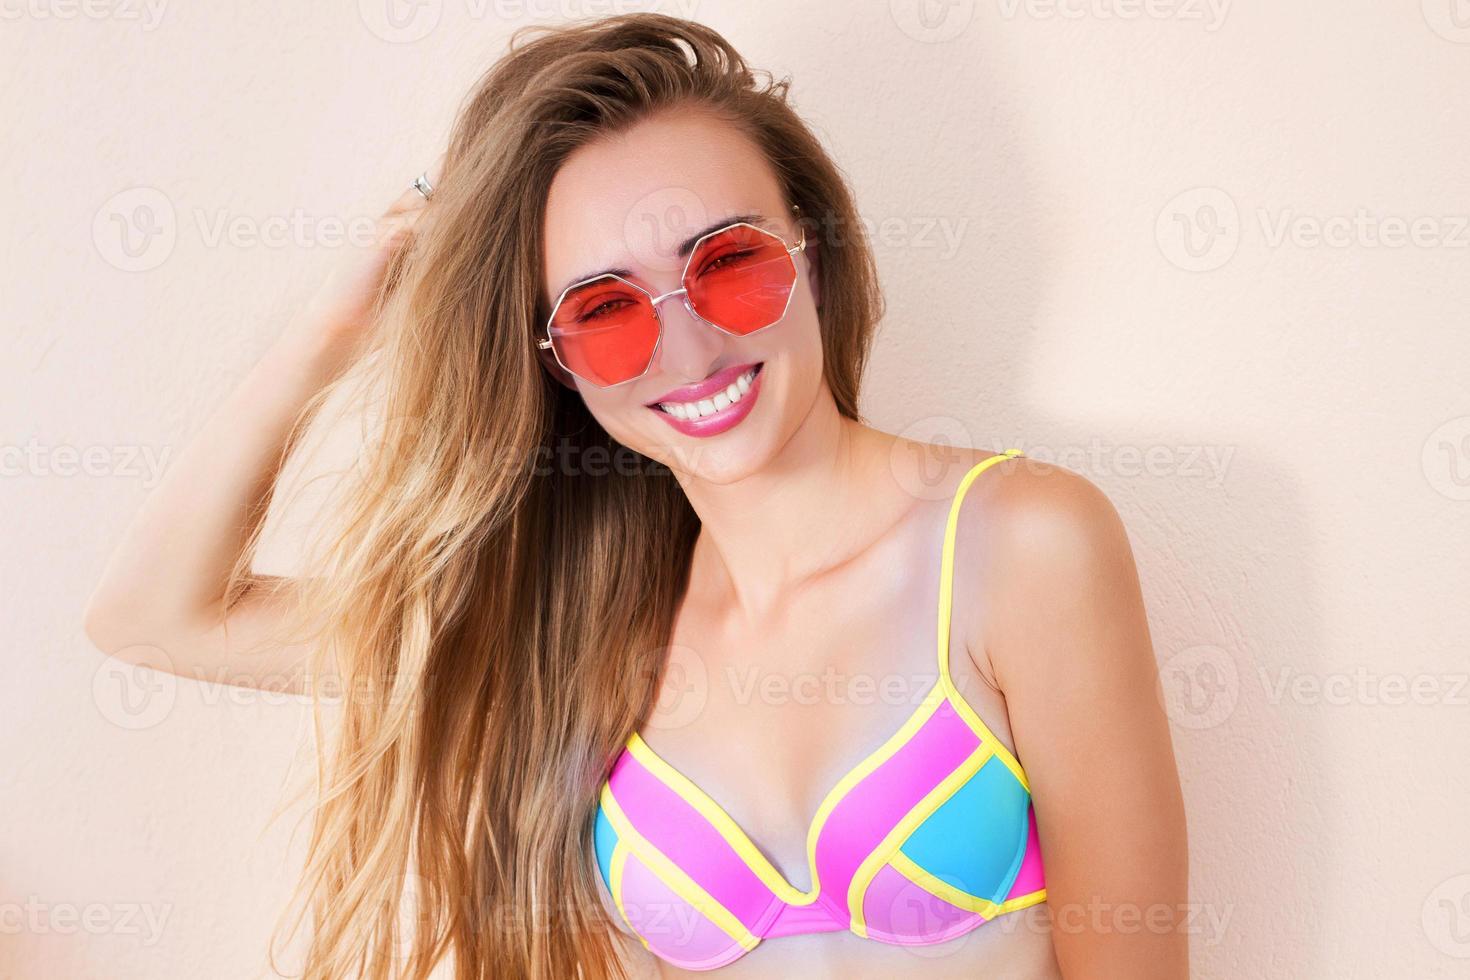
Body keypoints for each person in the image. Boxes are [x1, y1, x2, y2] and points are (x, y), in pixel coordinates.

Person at [85, 13, 1187, 979]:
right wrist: (332, 331)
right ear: (556, 362)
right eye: (606, 311)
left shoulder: (1022, 544)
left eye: (729, 261)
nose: (692, 344)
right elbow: (155, 618)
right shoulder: (563, 630)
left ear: (811, 242)